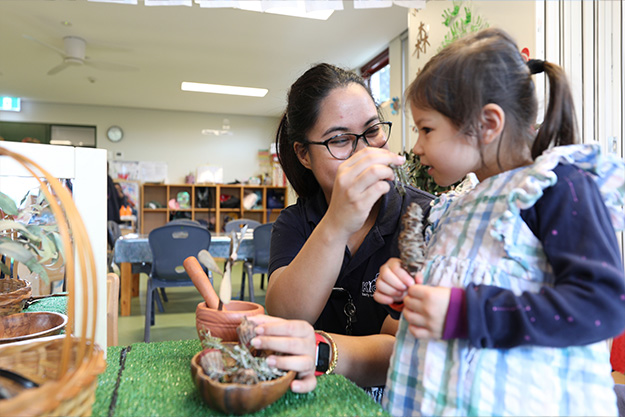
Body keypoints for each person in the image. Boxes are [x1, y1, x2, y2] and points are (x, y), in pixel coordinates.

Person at [374, 27, 625, 415]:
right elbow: (454, 287)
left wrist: (467, 312)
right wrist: (407, 291)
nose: (417, 147)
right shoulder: (457, 207)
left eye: (426, 129)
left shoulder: (554, 188)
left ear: (489, 124)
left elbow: (602, 305)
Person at [265, 63, 434, 399]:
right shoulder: (296, 222)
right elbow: (287, 315)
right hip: (311, 397)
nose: (364, 151)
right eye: (340, 140)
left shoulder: (424, 216)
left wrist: (322, 351)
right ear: (304, 154)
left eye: (373, 131)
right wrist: (337, 221)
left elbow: (402, 350)